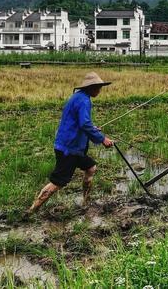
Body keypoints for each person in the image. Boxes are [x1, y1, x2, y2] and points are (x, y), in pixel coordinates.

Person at [28, 72, 114, 214]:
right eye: (98, 87)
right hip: (69, 148)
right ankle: (32, 210)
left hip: (73, 147)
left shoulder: (79, 97)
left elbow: (78, 122)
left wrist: (93, 129)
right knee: (57, 182)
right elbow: (84, 123)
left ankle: (85, 202)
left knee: (91, 168)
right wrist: (102, 139)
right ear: (91, 87)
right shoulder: (83, 100)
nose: (100, 90)